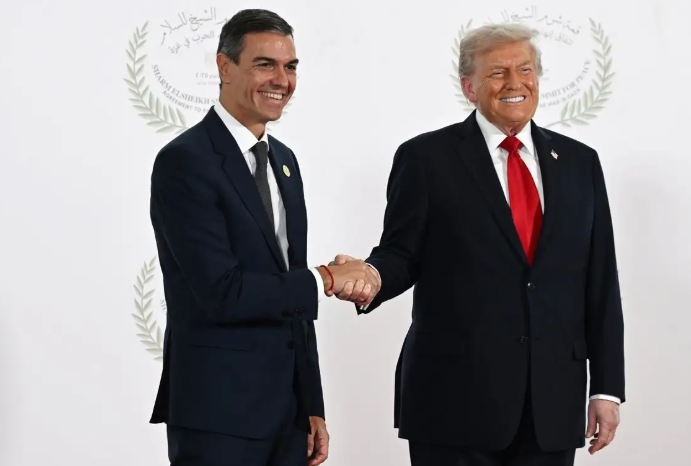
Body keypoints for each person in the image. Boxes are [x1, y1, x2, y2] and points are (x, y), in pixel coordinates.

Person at [331, 23, 625, 466]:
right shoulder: (426, 158)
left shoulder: (580, 162)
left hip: (552, 404)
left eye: (525, 70)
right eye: (497, 73)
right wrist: (369, 275)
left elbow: (600, 282)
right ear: (469, 88)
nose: (514, 83)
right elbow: (401, 253)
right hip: (453, 400)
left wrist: (606, 388)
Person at [148, 9, 376, 466]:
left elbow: (292, 294)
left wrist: (312, 403)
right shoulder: (185, 161)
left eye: (290, 66)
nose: (282, 80)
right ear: (224, 66)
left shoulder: (284, 161)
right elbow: (223, 292)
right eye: (264, 64)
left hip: (288, 416)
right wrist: (327, 278)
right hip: (217, 412)